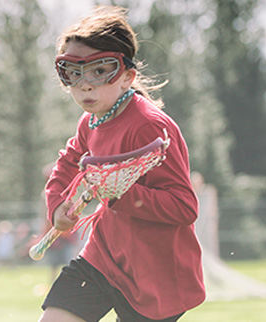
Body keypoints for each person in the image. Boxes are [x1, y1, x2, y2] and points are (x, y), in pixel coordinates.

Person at [39, 6, 205, 322]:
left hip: (155, 279)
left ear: (127, 76)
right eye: (73, 72)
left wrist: (121, 195)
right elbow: (69, 161)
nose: (85, 85)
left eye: (99, 71)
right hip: (103, 259)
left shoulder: (150, 126)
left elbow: (185, 207)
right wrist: (57, 206)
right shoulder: (91, 121)